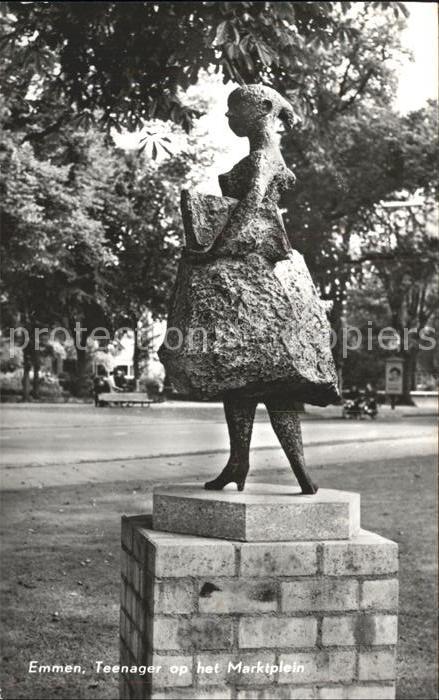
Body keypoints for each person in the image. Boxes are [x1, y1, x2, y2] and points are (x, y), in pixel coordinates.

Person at [160, 85, 339, 494]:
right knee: (243, 376)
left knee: (271, 375)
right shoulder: (266, 154)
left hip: (258, 273)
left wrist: (214, 248)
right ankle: (242, 462)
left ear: (263, 108)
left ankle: (294, 469)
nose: (229, 117)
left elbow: (253, 202)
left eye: (235, 109)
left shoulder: (263, 156)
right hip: (252, 273)